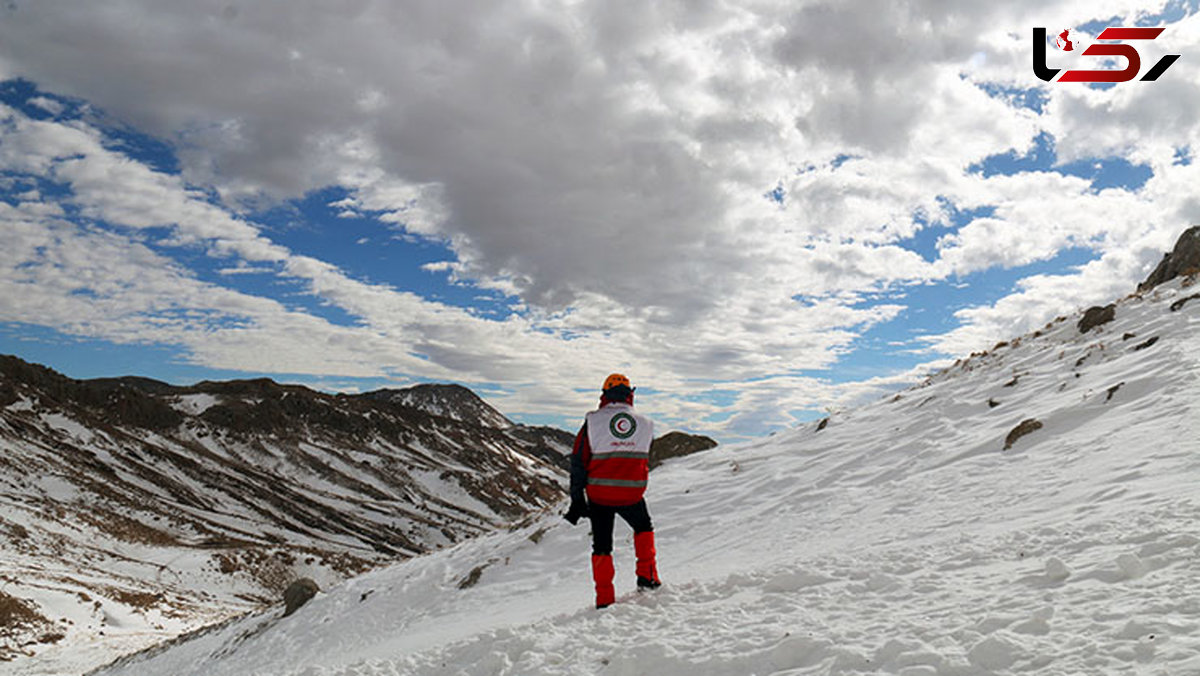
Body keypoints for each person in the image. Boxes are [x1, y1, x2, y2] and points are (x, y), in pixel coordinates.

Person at [564, 373, 661, 609]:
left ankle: (605, 599)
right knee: (643, 528)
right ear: (630, 395)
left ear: (604, 395)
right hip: (632, 494)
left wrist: (577, 499)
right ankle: (648, 578)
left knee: (602, 546)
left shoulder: (593, 421)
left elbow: (579, 460)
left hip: (599, 496)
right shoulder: (646, 423)